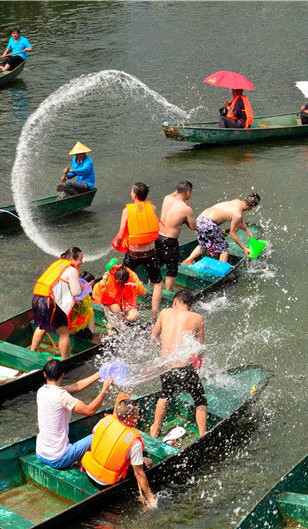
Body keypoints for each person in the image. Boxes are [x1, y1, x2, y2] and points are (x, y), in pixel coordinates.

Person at [149, 290, 207, 438]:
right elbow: (200, 348)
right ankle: (202, 435)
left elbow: (153, 337)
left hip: (166, 366)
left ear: (175, 302)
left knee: (165, 394)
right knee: (200, 399)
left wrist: (164, 350)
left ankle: (155, 430)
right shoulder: (198, 318)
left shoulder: (164, 312)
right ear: (191, 307)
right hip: (184, 368)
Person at [36, 358, 111, 469]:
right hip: (58, 459)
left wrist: (100, 374)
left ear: (44, 375)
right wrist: (105, 388)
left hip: (40, 454)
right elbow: (90, 410)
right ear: (62, 375)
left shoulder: (41, 391)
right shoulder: (62, 396)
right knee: (101, 435)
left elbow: (77, 386)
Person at [82, 398, 157, 507]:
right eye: (136, 414)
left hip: (89, 472)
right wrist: (150, 497)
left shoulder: (106, 420)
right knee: (148, 461)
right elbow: (139, 473)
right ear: (130, 418)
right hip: (105, 482)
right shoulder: (134, 442)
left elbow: (94, 430)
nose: (138, 417)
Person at [112, 182, 164, 317]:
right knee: (157, 283)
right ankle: (154, 314)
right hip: (150, 253)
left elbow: (121, 233)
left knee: (122, 280)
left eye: (131, 191)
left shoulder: (126, 211)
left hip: (133, 254)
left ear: (134, 195)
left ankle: (124, 309)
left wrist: (117, 243)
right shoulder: (152, 208)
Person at [30, 247, 86, 359]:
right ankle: (66, 361)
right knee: (64, 332)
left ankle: (31, 352)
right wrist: (81, 287)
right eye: (80, 259)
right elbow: (76, 292)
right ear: (72, 259)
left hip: (37, 297)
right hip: (51, 303)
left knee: (42, 326)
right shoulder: (72, 270)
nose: (81, 262)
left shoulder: (56, 265)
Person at [183, 193, 260, 264]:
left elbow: (240, 219)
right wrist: (244, 248)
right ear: (253, 207)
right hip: (209, 224)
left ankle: (188, 260)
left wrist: (246, 229)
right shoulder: (237, 214)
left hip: (201, 219)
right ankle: (221, 270)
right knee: (224, 249)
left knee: (203, 243)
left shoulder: (237, 202)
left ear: (245, 198)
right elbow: (233, 235)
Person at [156, 181, 196, 292]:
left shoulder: (167, 199)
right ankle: (168, 294)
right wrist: (185, 220)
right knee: (171, 272)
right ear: (188, 193)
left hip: (158, 238)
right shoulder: (186, 209)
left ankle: (151, 288)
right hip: (170, 241)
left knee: (156, 267)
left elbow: (176, 193)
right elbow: (193, 227)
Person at [70, 271, 97, 341]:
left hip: (73, 322)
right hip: (74, 326)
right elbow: (83, 312)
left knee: (90, 311)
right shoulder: (81, 297)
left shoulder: (74, 290)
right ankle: (91, 336)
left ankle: (90, 334)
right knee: (90, 311)